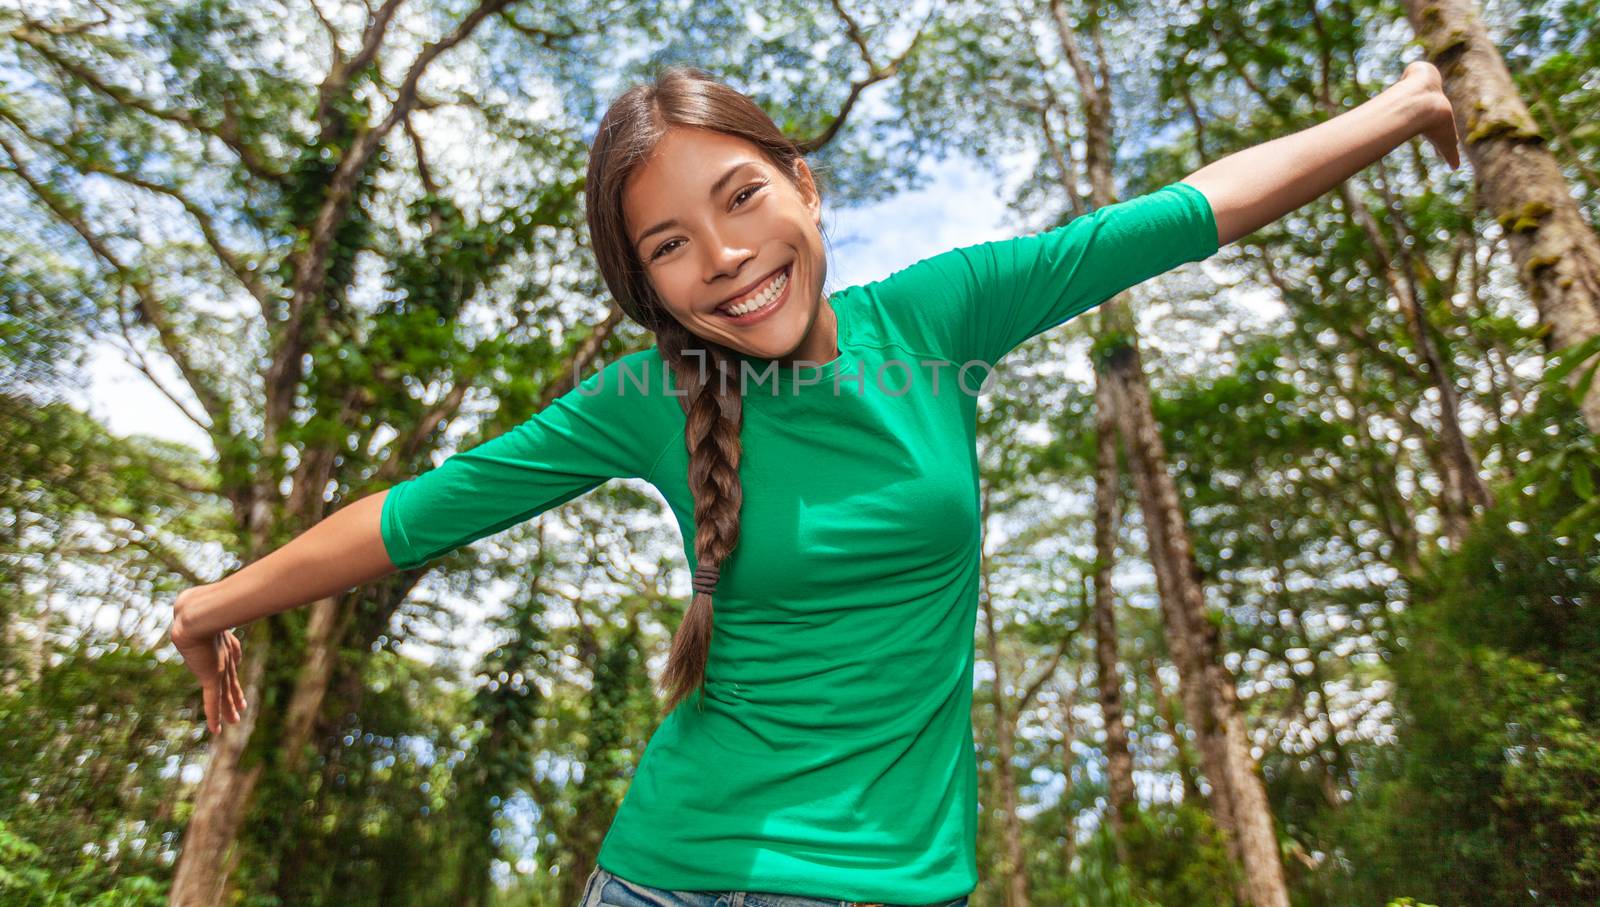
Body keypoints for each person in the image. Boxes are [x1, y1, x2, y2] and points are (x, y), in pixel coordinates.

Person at [169, 62, 1461, 907]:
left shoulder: (941, 316)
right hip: (669, 877)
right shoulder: (649, 403)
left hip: (899, 883)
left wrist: (1400, 110)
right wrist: (217, 601)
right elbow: (417, 515)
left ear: (806, 185)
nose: (724, 259)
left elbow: (1186, 212)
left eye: (741, 199)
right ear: (647, 286)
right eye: (671, 246)